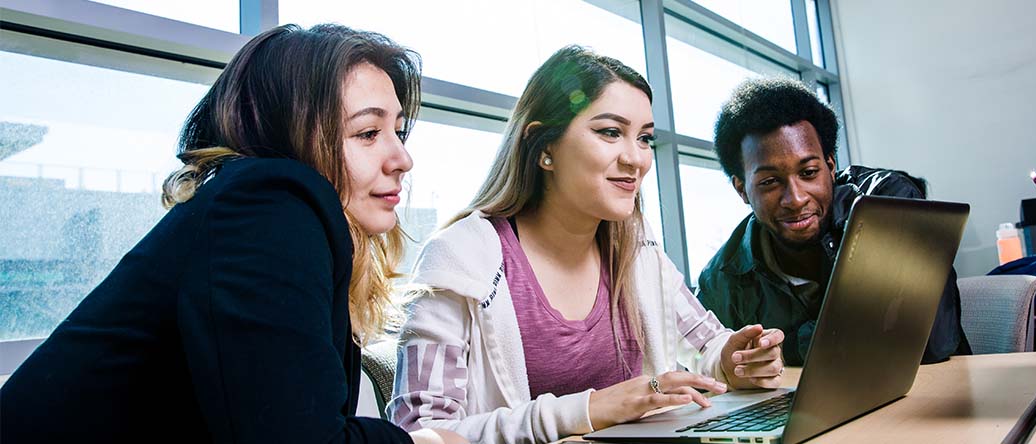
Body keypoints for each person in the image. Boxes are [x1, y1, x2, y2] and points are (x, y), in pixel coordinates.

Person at [0, 24, 460, 444]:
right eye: (367, 132)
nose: (402, 158)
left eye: (397, 131)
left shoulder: (259, 210)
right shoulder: (272, 204)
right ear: (291, 135)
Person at [388, 45, 786, 443]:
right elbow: (420, 434)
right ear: (544, 147)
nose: (636, 159)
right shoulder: (461, 258)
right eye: (610, 132)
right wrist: (588, 410)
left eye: (644, 138)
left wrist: (736, 361)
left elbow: (706, 346)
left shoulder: (635, 244)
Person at [695, 77, 971, 367]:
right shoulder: (722, 278)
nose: (796, 198)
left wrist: (785, 346)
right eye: (770, 182)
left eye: (809, 172)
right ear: (742, 189)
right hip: (805, 411)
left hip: (938, 398)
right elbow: (705, 374)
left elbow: (930, 339)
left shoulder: (889, 202)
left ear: (830, 166)